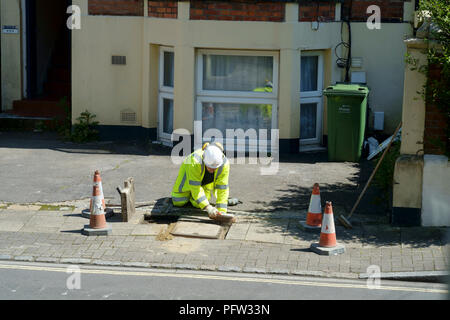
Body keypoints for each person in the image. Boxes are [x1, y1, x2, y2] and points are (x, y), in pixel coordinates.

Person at [171, 142, 236, 223]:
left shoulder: (224, 164)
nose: (213, 171)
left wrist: (222, 211)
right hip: (186, 184)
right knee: (178, 201)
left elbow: (222, 187)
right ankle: (190, 197)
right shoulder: (194, 161)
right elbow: (195, 187)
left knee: (198, 204)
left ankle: (194, 199)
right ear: (204, 160)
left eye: (215, 168)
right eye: (210, 167)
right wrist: (208, 208)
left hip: (204, 184)